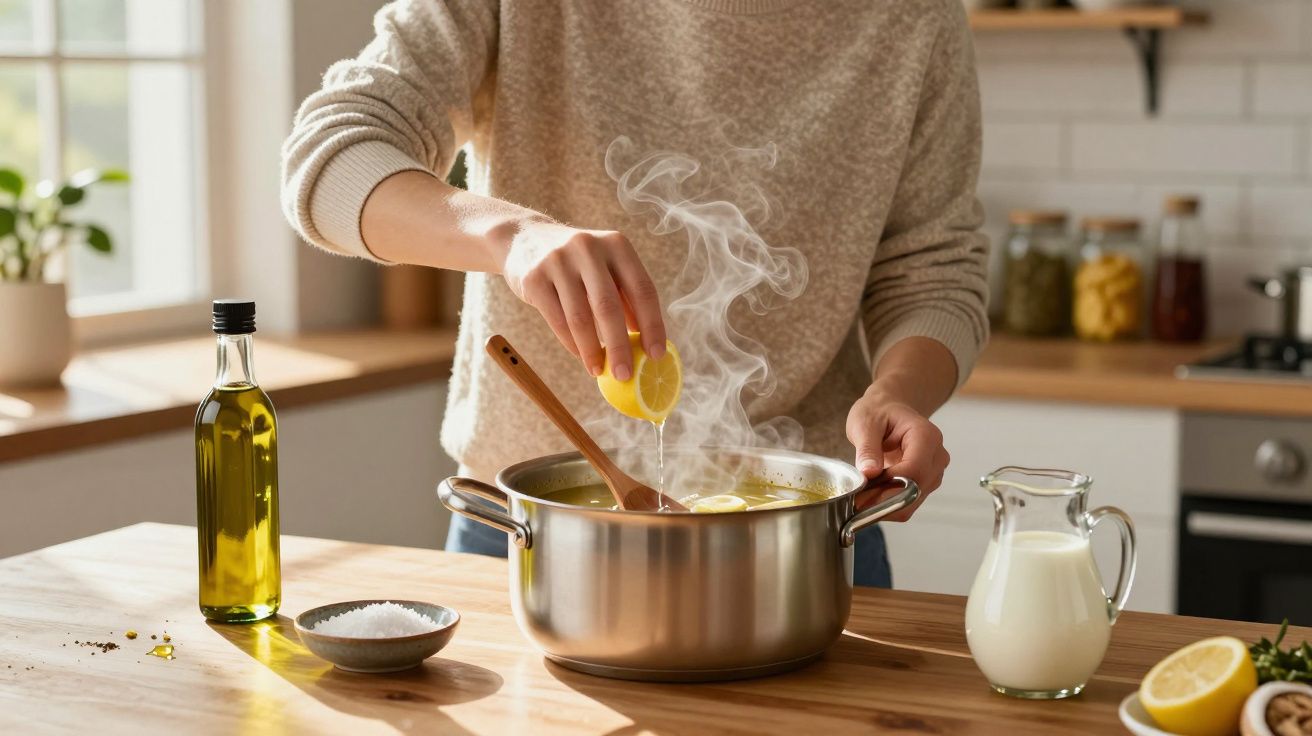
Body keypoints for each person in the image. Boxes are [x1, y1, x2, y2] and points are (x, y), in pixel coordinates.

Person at [281, 0, 989, 588]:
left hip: (808, 539)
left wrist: (899, 391)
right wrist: (512, 236)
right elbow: (328, 160)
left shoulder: (912, 17)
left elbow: (934, 267)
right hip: (528, 530)